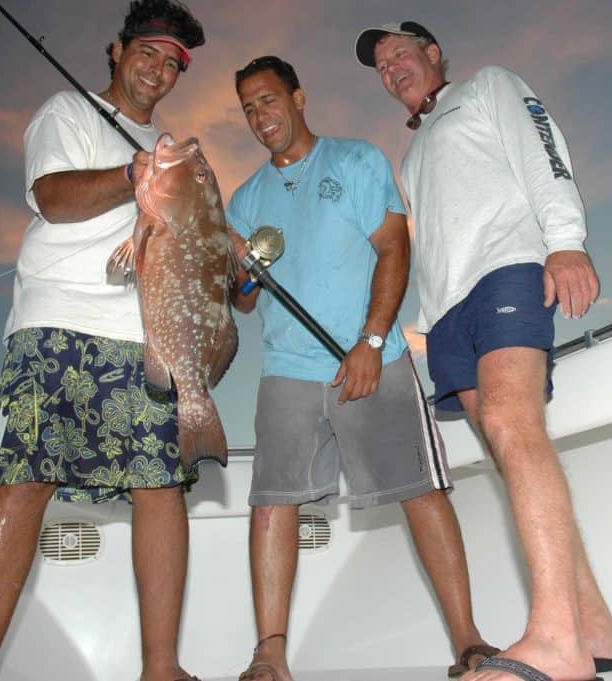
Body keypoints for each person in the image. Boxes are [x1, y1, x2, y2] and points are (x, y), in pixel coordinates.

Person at [355, 21, 612, 681]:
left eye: (401, 52)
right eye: (382, 65)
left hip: (508, 269)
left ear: (434, 53)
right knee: (508, 456)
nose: (392, 66)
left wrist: (566, 238)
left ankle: (557, 641)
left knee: (514, 423)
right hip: (450, 312)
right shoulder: (413, 154)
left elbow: (544, 149)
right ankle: (597, 629)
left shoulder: (487, 87)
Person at [0, 3, 206, 680]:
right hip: (55, 324)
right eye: (147, 53)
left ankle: (161, 668)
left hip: (144, 333)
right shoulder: (65, 110)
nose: (158, 70)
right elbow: (54, 197)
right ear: (117, 51)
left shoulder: (171, 154)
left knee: (160, 486)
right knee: (25, 481)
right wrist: (132, 177)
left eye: (173, 63)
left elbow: (189, 246)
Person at [226, 56, 497, 681]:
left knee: (420, 493)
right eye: (247, 108)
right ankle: (269, 654)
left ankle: (468, 642)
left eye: (268, 100)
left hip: (370, 358)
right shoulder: (244, 200)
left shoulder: (355, 161)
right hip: (288, 369)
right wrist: (238, 267)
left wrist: (372, 341)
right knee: (272, 503)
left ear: (297, 97)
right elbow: (243, 300)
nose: (259, 116)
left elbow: (393, 248)